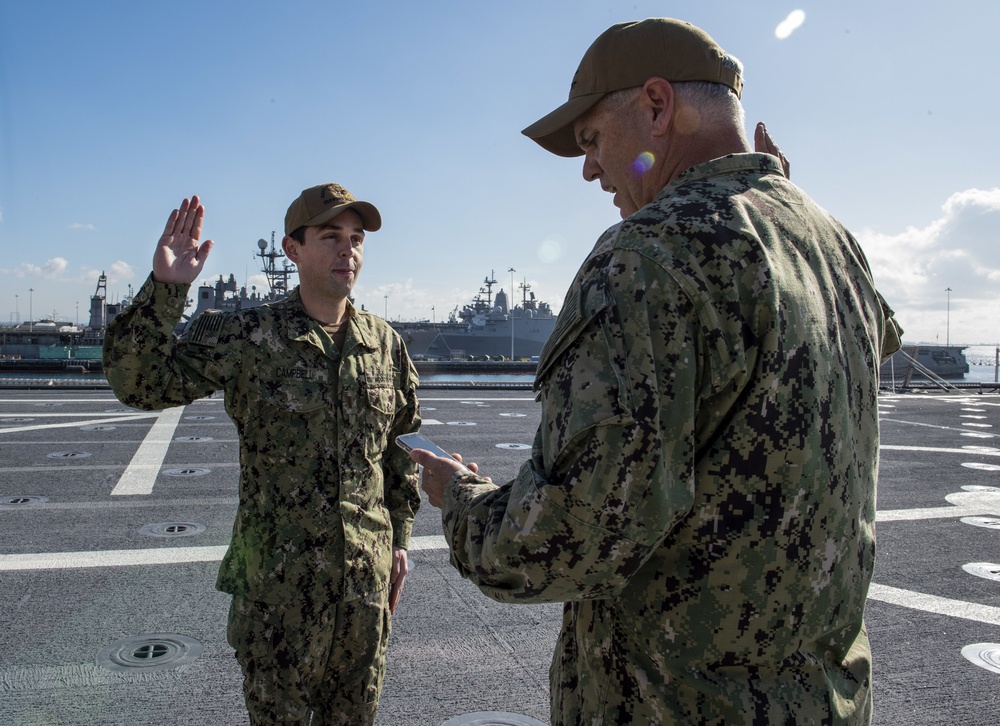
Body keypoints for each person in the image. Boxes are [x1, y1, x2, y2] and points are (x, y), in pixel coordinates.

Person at [412, 18, 901, 725]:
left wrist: (460, 499)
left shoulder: (648, 257)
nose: (589, 169)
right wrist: (779, 203)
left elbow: (564, 536)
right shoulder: (835, 242)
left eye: (590, 139)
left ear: (657, 104)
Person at [103, 183, 421, 725]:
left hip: (364, 592)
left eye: (356, 238)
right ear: (292, 249)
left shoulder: (384, 343)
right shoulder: (249, 336)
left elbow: (401, 446)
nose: (348, 250)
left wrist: (399, 542)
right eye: (330, 237)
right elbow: (141, 384)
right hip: (278, 594)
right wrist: (166, 288)